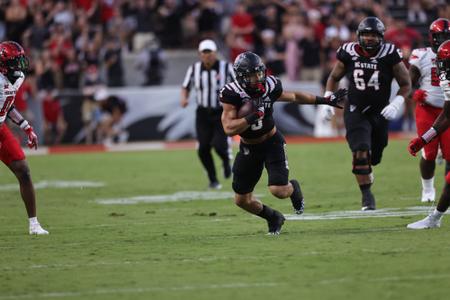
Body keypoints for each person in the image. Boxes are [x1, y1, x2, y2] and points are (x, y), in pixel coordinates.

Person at [220, 51, 347, 235]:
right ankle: (273, 217)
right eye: (251, 75)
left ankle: (293, 187)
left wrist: (325, 100)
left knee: (278, 190)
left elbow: (294, 96)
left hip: (272, 142)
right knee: (241, 200)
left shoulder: (270, 84)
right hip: (249, 147)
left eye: (259, 73)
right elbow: (229, 128)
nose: (257, 78)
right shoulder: (231, 94)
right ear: (241, 77)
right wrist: (251, 117)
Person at [323, 17, 411, 211]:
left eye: (373, 35)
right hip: (355, 109)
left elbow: (406, 84)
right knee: (360, 151)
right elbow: (334, 77)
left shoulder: (390, 54)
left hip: (380, 111)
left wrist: (397, 102)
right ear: (359, 36)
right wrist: (328, 98)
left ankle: (370, 167)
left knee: (376, 156)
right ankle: (367, 197)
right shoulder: (348, 52)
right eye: (366, 34)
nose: (369, 39)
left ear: (381, 37)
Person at [0, 41, 48, 235]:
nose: (20, 64)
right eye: (15, 60)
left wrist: (26, 127)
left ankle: (34, 224)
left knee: (23, 170)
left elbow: (7, 105)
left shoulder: (18, 77)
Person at [407, 39, 450, 229]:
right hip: (430, 110)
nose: (441, 67)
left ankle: (434, 219)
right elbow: (448, 115)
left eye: (444, 63)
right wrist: (424, 139)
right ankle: (435, 219)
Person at [181, 39, 235, 189]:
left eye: (209, 52)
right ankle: (213, 179)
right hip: (203, 113)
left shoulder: (226, 67)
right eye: (204, 52)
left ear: (215, 53)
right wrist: (184, 98)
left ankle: (225, 161)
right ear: (200, 54)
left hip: (221, 112)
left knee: (219, 145)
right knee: (203, 148)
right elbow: (185, 86)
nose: (207, 55)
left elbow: (238, 84)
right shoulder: (194, 69)